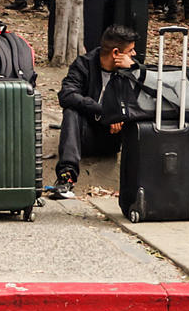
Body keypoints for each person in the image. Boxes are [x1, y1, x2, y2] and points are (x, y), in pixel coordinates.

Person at [54, 24, 142, 200]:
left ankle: (141, 184)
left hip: (117, 137)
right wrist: (106, 112)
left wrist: (134, 71)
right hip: (87, 135)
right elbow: (67, 94)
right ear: (116, 53)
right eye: (130, 50)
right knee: (71, 112)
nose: (134, 54)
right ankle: (66, 177)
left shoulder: (134, 69)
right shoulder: (84, 64)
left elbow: (145, 102)